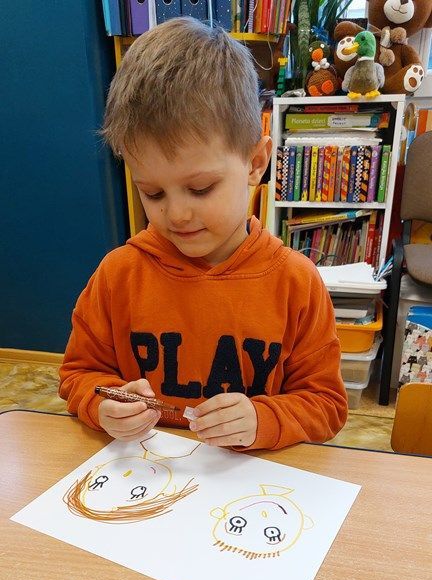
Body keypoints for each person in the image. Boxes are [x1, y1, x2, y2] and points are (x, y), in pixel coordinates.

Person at [59, 17, 348, 451]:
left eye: (200, 188)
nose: (176, 214)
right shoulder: (119, 275)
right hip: (147, 474)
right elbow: (79, 375)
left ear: (255, 163)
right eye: (152, 193)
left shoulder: (295, 283)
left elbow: (326, 405)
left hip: (247, 482)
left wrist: (263, 419)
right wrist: (103, 405)